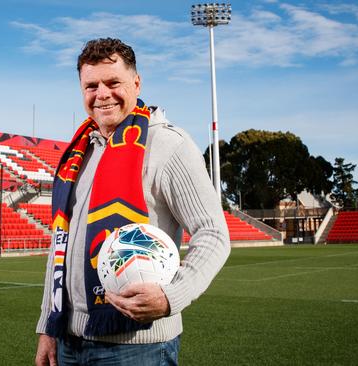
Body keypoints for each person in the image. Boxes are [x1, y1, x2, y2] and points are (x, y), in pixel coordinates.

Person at [35, 37, 230, 366]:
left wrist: (171, 297)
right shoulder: (78, 152)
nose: (102, 94)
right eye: (91, 86)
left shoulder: (168, 144)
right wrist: (47, 327)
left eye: (113, 82)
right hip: (70, 342)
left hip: (137, 346)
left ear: (136, 83)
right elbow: (61, 245)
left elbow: (213, 233)